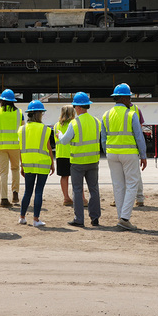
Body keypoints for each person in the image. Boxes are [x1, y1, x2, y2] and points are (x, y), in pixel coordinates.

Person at [101, 83, 147, 230]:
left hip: (112, 154)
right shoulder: (131, 114)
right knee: (132, 184)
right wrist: (143, 155)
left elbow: (103, 138)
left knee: (118, 186)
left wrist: (107, 152)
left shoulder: (106, 115)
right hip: (129, 153)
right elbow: (139, 137)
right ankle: (125, 217)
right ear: (124, 98)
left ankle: (121, 217)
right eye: (129, 98)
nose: (130, 101)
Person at [57, 92, 102, 228]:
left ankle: (79, 219)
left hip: (77, 162)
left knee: (77, 189)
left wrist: (59, 134)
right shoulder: (96, 121)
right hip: (93, 161)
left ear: (77, 107)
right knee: (94, 189)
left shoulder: (74, 123)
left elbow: (64, 141)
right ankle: (95, 219)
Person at [18, 100, 55, 227]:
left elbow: (21, 149)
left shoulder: (21, 130)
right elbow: (48, 147)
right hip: (43, 164)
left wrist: (22, 165)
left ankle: (22, 217)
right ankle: (35, 219)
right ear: (39, 114)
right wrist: (52, 163)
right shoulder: (45, 129)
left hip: (27, 163)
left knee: (27, 191)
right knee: (38, 191)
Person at [0, 89, 24, 208]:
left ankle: (4, 198)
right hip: (15, 146)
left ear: (1, 100)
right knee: (15, 169)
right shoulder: (19, 113)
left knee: (3, 173)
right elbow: (22, 130)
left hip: (0, 146)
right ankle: (15, 193)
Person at [54, 105, 76, 205]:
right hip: (72, 154)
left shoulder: (56, 125)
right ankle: (81, 198)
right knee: (76, 177)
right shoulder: (73, 124)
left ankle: (66, 198)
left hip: (60, 154)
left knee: (64, 177)